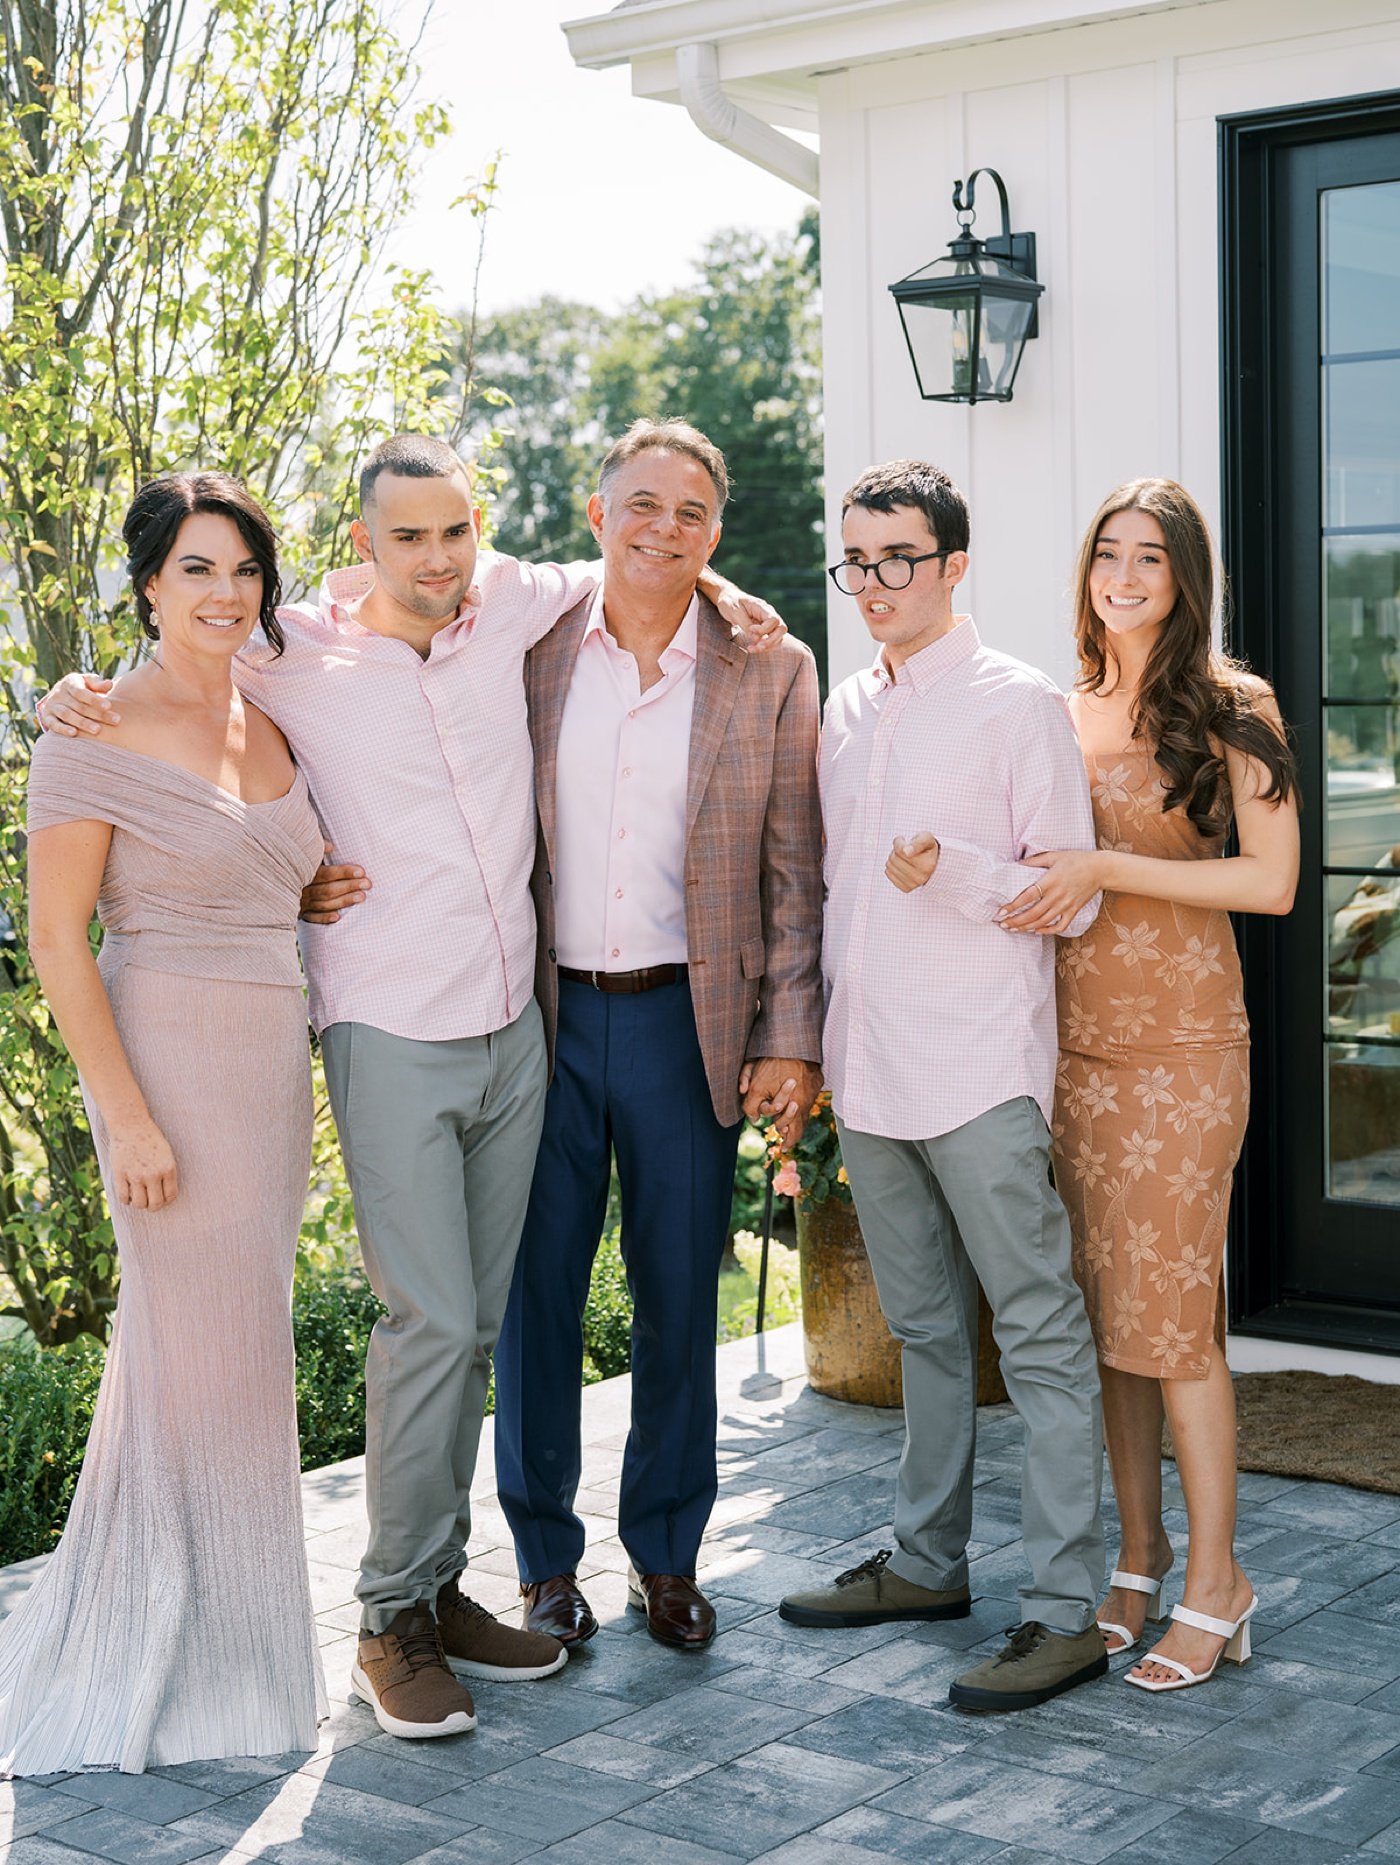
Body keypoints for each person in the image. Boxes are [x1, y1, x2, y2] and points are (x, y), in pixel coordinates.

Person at [44, 435, 783, 1735]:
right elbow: (178, 679)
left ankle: (439, 1590)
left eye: (455, 534)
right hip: (386, 1024)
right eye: (407, 538)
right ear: (360, 546)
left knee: (479, 1324)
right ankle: (392, 1618)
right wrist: (72, 696)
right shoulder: (294, 653)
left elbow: (641, 554)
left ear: (478, 533)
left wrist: (726, 592)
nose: (435, 560)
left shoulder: (515, 604)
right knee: (430, 1321)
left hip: (514, 1028)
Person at [310, 420, 825, 1652]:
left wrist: (788, 1034)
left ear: (716, 532)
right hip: (538, 1015)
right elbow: (360, 608)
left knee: (674, 1296)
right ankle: (543, 1560)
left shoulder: (766, 660)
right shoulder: (526, 637)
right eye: (639, 503)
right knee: (533, 1297)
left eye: (691, 511)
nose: (663, 527)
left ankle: (667, 1555)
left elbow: (795, 873)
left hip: (686, 1022)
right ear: (595, 517)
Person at [1, 474, 327, 1774]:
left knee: (230, 1363)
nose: (225, 592)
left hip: (269, 1070)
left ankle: (230, 1644)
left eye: (244, 568)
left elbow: (281, 874)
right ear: (147, 584)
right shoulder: (89, 731)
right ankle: (182, 1657)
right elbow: (57, 949)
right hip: (170, 1071)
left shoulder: (277, 708)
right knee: (205, 1362)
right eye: (196, 569)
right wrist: (124, 1121)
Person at [777, 458, 1110, 1713]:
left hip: (975, 1062)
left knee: (1032, 1330)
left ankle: (1064, 1608)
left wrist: (956, 868)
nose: (871, 582)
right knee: (920, 1328)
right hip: (872, 1067)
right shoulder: (848, 707)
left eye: (896, 558)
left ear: (952, 562)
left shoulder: (1016, 705)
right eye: (853, 560)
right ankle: (926, 1562)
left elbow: (1066, 895)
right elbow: (830, 896)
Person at [999, 478, 1298, 1691]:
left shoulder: (1230, 703)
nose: (1122, 576)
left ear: (1183, 578)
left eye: (1149, 559)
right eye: (1105, 554)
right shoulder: (1056, 707)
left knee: (1172, 1325)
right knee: (1109, 1326)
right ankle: (1136, 1559)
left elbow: (1268, 883)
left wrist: (1105, 863)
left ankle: (1218, 1584)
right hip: (1071, 1050)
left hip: (1182, 1051)